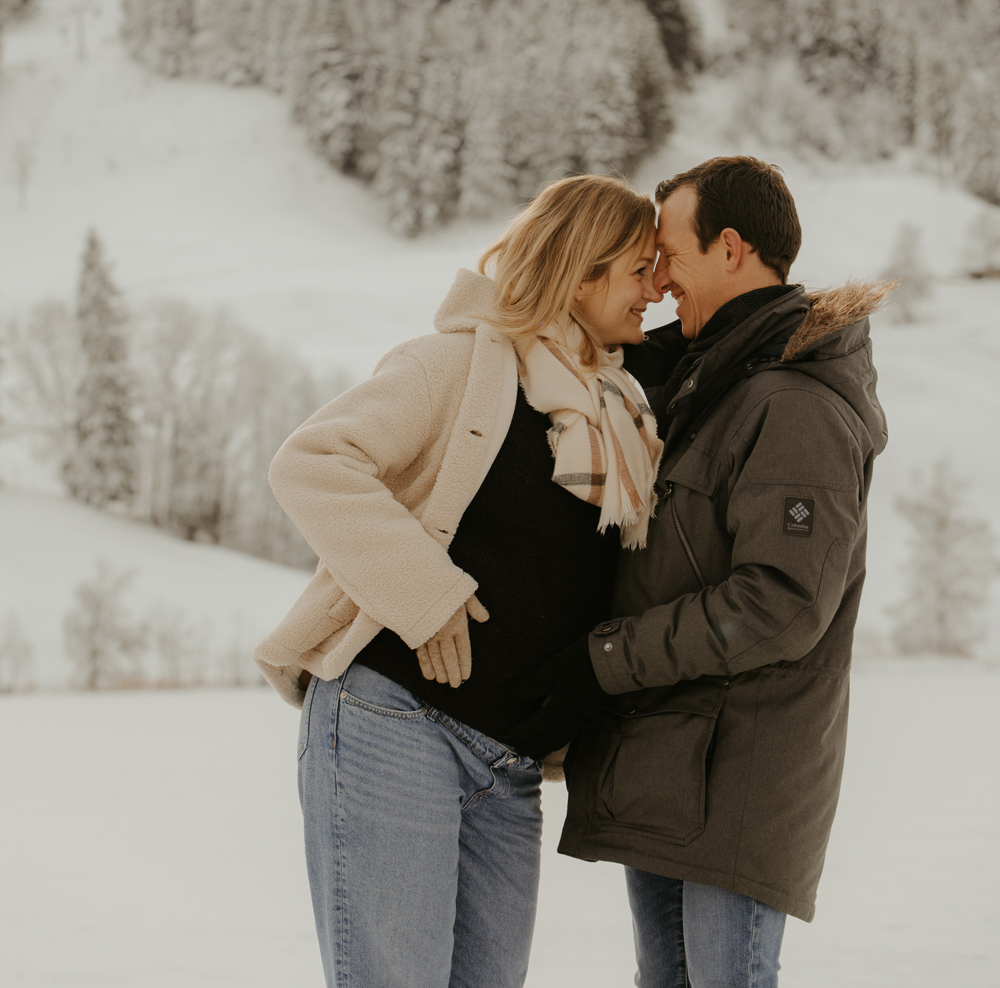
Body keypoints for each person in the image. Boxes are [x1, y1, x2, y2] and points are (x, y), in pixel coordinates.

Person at [253, 173, 663, 988]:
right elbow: (312, 461)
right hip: (394, 723)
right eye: (640, 269)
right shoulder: (457, 366)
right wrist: (426, 591)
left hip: (506, 767)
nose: (655, 290)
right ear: (583, 270)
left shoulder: (619, 409)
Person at [506, 156, 890, 988]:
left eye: (668, 254)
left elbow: (781, 601)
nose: (658, 276)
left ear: (729, 246)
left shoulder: (792, 402)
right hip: (675, 766)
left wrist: (604, 658)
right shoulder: (712, 383)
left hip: (737, 771)